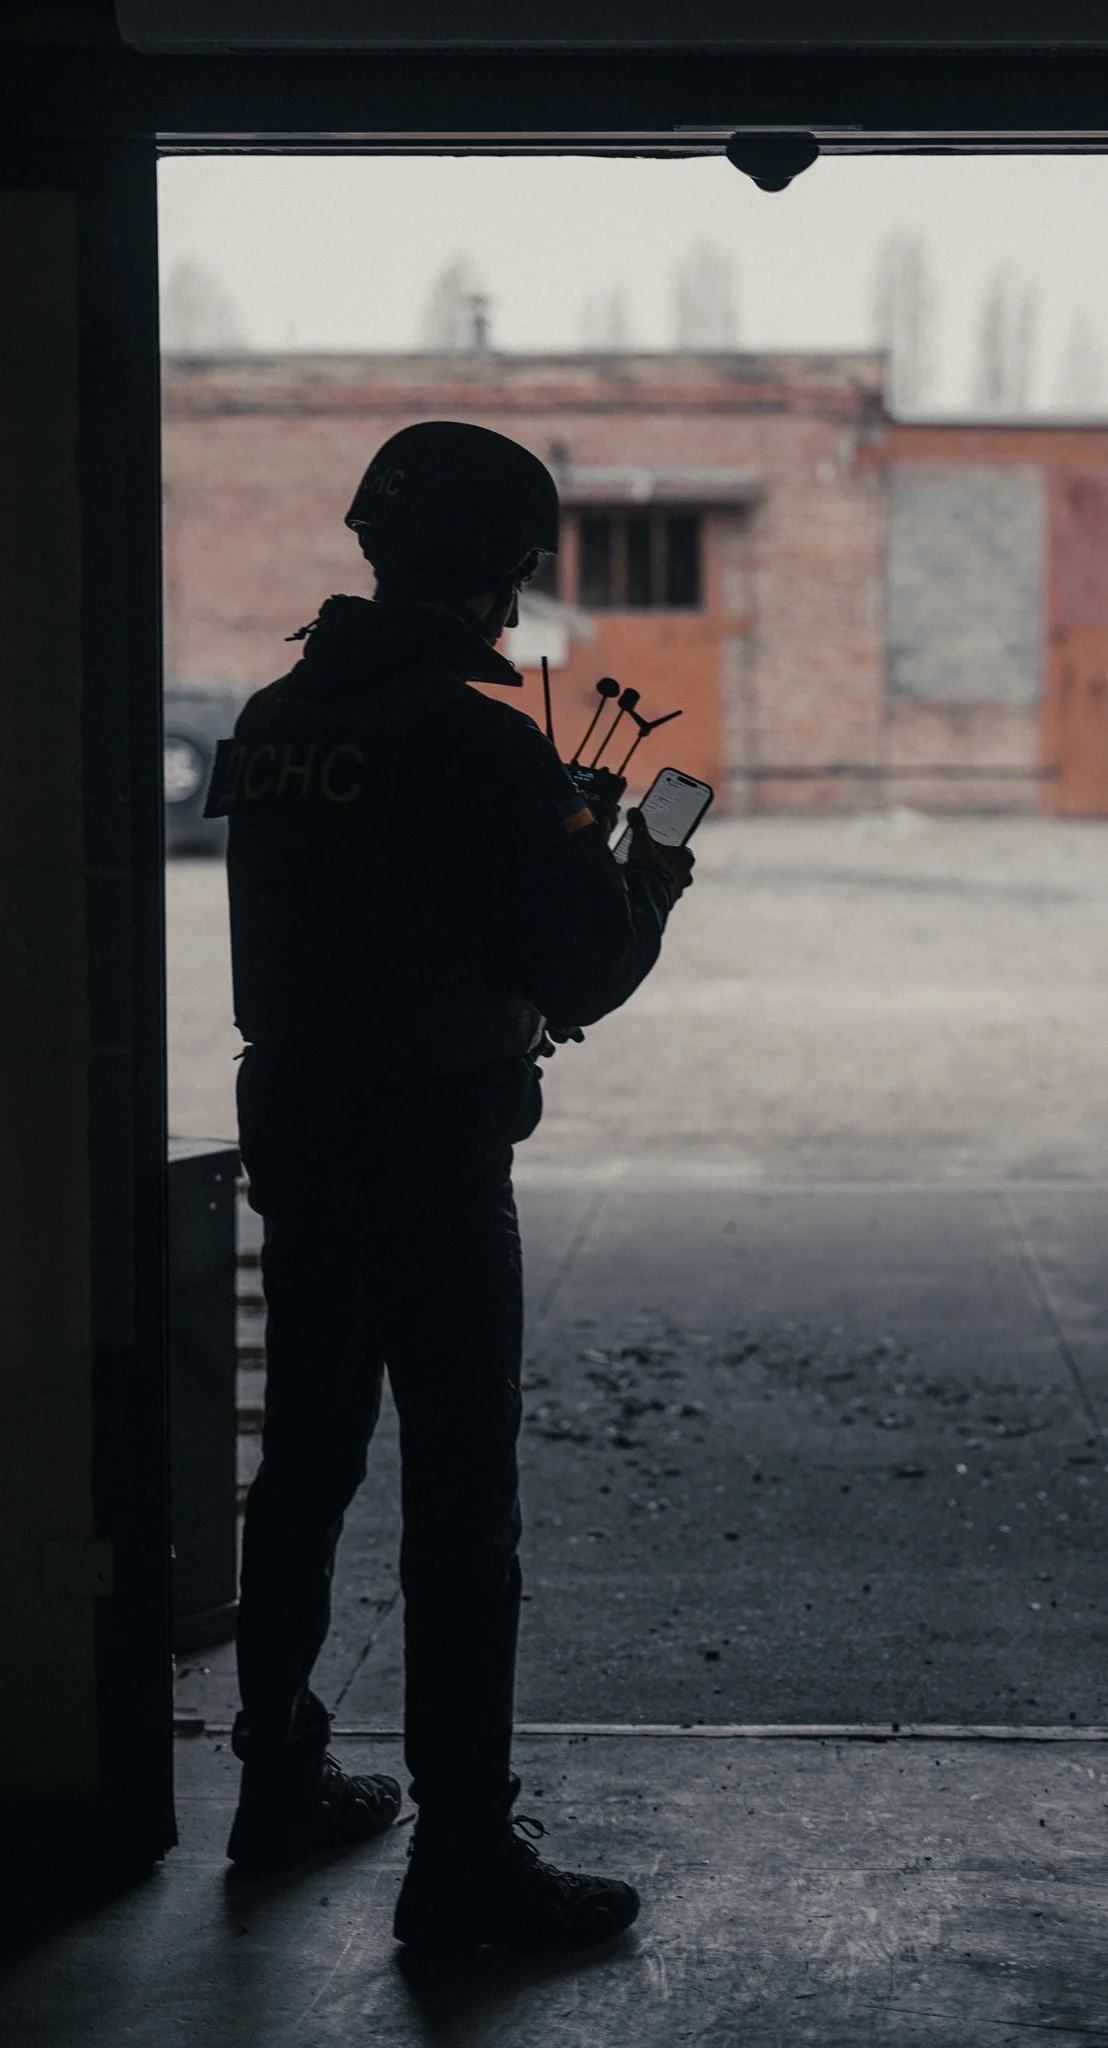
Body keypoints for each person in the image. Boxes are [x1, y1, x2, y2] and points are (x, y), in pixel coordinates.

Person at [207, 421, 693, 1955]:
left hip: (300, 1133)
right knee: (460, 1504)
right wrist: (644, 867)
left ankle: (276, 1778)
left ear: (373, 545)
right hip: (429, 1155)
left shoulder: (283, 715)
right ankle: (465, 1861)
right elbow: (588, 969)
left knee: (303, 1468)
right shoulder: (477, 739)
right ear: (502, 575)